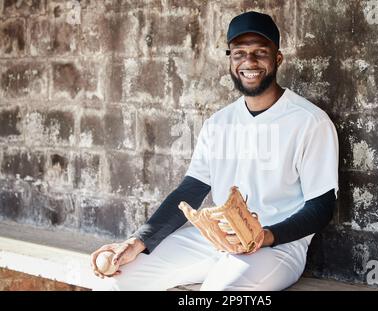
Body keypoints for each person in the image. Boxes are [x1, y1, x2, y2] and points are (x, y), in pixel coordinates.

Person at [90, 11, 339, 291]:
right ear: (231, 60)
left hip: (275, 248)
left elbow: (321, 206)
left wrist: (266, 236)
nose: (250, 61)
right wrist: (139, 240)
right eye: (239, 53)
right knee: (118, 281)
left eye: (260, 52)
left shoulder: (309, 121)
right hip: (215, 239)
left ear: (278, 58)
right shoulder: (219, 122)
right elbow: (190, 191)